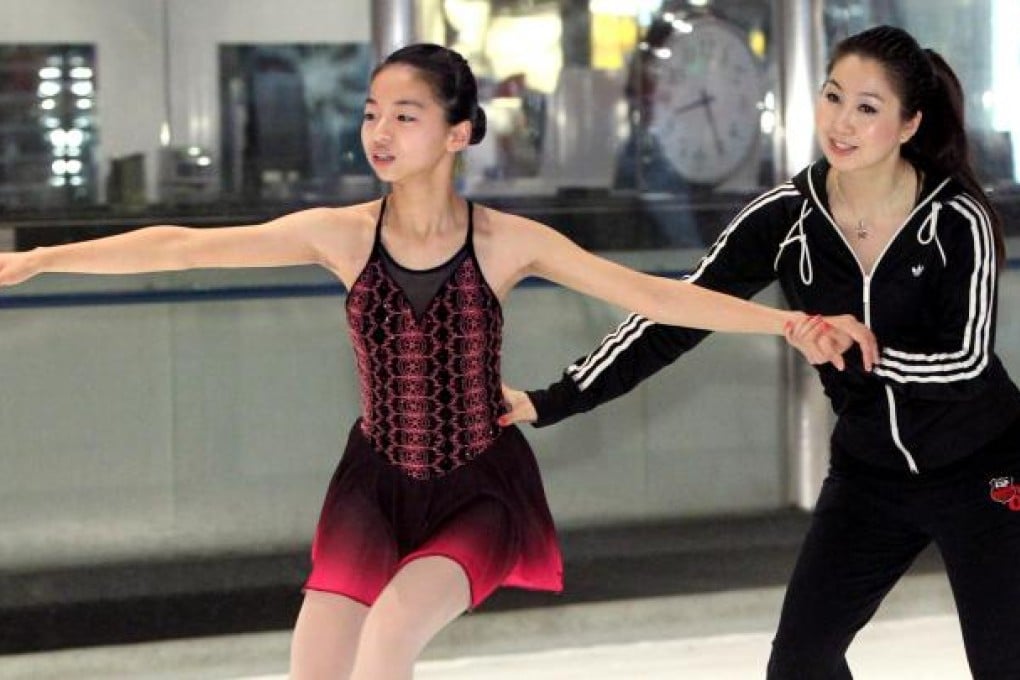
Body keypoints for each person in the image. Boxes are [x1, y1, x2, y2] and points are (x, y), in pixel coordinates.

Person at [0, 44, 871, 680]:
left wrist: (790, 323)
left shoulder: (507, 241)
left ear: (458, 133)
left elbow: (654, 296)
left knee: (389, 637)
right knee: (316, 665)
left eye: (405, 115)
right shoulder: (341, 234)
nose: (379, 131)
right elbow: (183, 247)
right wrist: (41, 259)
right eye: (371, 113)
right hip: (372, 483)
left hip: (479, 487)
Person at [500, 25, 1020, 680]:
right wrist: (551, 399)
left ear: (909, 124)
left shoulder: (957, 218)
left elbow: (966, 361)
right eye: (833, 96)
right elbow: (673, 314)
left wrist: (860, 349)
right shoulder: (785, 217)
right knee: (799, 665)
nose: (842, 122)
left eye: (868, 107)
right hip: (870, 476)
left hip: (984, 469)